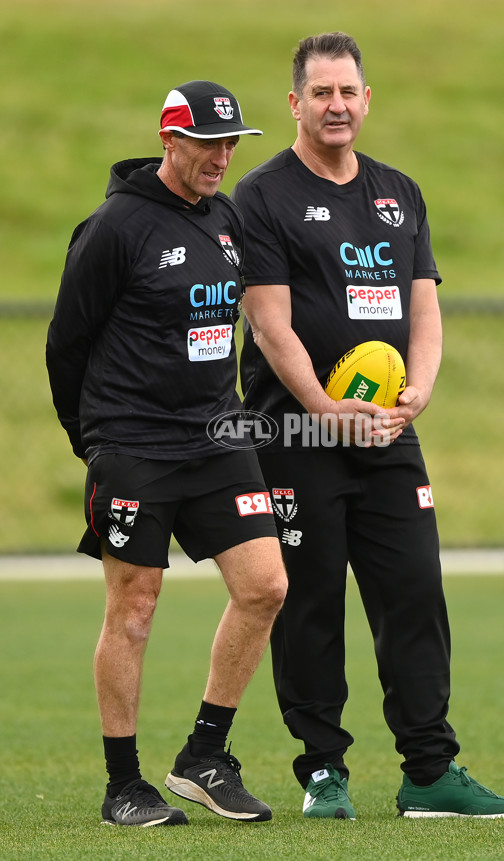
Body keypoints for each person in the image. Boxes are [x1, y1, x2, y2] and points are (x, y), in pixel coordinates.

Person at [232, 33, 504, 820]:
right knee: (311, 604)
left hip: (390, 434)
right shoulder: (261, 197)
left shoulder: (400, 192)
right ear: (295, 104)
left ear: (367, 101)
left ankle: (430, 771)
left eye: (348, 92)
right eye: (321, 93)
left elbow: (423, 306)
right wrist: (326, 410)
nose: (336, 106)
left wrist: (417, 390)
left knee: (414, 593)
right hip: (299, 437)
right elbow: (269, 325)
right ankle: (323, 770)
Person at [46, 80, 288, 827]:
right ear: (168, 140)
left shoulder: (226, 219)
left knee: (266, 585)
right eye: (208, 142)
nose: (221, 156)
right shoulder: (115, 228)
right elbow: (67, 344)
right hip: (134, 446)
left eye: (230, 143)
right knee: (136, 609)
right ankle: (125, 784)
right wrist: (95, 442)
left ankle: (205, 756)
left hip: (217, 440)